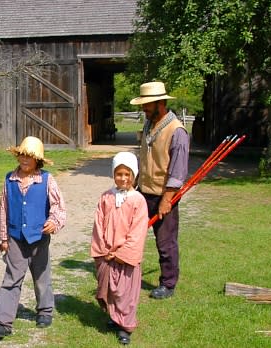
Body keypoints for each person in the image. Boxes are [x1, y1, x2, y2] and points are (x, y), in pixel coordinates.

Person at [0, 136, 67, 339]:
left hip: (39, 238)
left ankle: (45, 311)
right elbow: (3, 209)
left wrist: (54, 222)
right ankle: (3, 322)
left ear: (38, 160)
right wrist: (4, 237)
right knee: (12, 278)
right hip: (15, 237)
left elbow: (59, 206)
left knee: (42, 277)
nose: (24, 160)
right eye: (22, 155)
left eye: (29, 157)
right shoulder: (9, 179)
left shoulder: (46, 180)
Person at [130, 81, 189, 300]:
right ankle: (129, 275)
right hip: (143, 191)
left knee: (165, 242)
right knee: (134, 236)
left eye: (147, 105)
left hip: (164, 195)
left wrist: (167, 199)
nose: (143, 109)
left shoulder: (177, 131)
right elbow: (146, 158)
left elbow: (177, 171)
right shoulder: (149, 124)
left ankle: (168, 283)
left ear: (160, 103)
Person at [91, 152, 149, 345]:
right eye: (119, 174)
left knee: (126, 293)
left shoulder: (138, 201)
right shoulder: (106, 197)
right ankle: (115, 318)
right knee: (110, 290)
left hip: (125, 256)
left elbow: (138, 231)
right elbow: (98, 224)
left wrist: (122, 253)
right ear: (113, 174)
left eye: (127, 174)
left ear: (134, 175)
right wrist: (104, 250)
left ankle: (125, 326)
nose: (123, 178)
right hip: (107, 253)